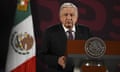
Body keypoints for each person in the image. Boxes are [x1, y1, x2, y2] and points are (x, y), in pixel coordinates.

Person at [39, 2, 93, 72]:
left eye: (71, 15)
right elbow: (42, 55)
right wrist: (57, 60)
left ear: (77, 17)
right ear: (60, 16)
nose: (68, 17)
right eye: (65, 15)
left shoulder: (86, 31)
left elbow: (92, 51)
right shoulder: (50, 32)